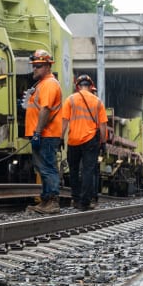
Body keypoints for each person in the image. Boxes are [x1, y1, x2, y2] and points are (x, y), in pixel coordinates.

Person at [61, 74, 108, 211]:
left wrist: (60, 139)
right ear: (90, 86)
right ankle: (85, 202)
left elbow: (64, 121)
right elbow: (103, 125)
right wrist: (103, 142)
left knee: (74, 170)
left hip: (73, 140)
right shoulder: (98, 102)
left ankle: (75, 199)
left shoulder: (70, 100)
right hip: (90, 140)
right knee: (88, 170)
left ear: (78, 86)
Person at [24, 49, 63, 214]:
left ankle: (52, 201)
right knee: (43, 167)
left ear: (48, 66)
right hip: (44, 133)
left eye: (38, 66)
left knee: (47, 167)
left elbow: (45, 109)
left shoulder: (49, 84)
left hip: (46, 134)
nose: (35, 69)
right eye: (34, 66)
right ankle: (46, 200)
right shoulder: (42, 84)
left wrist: (38, 132)